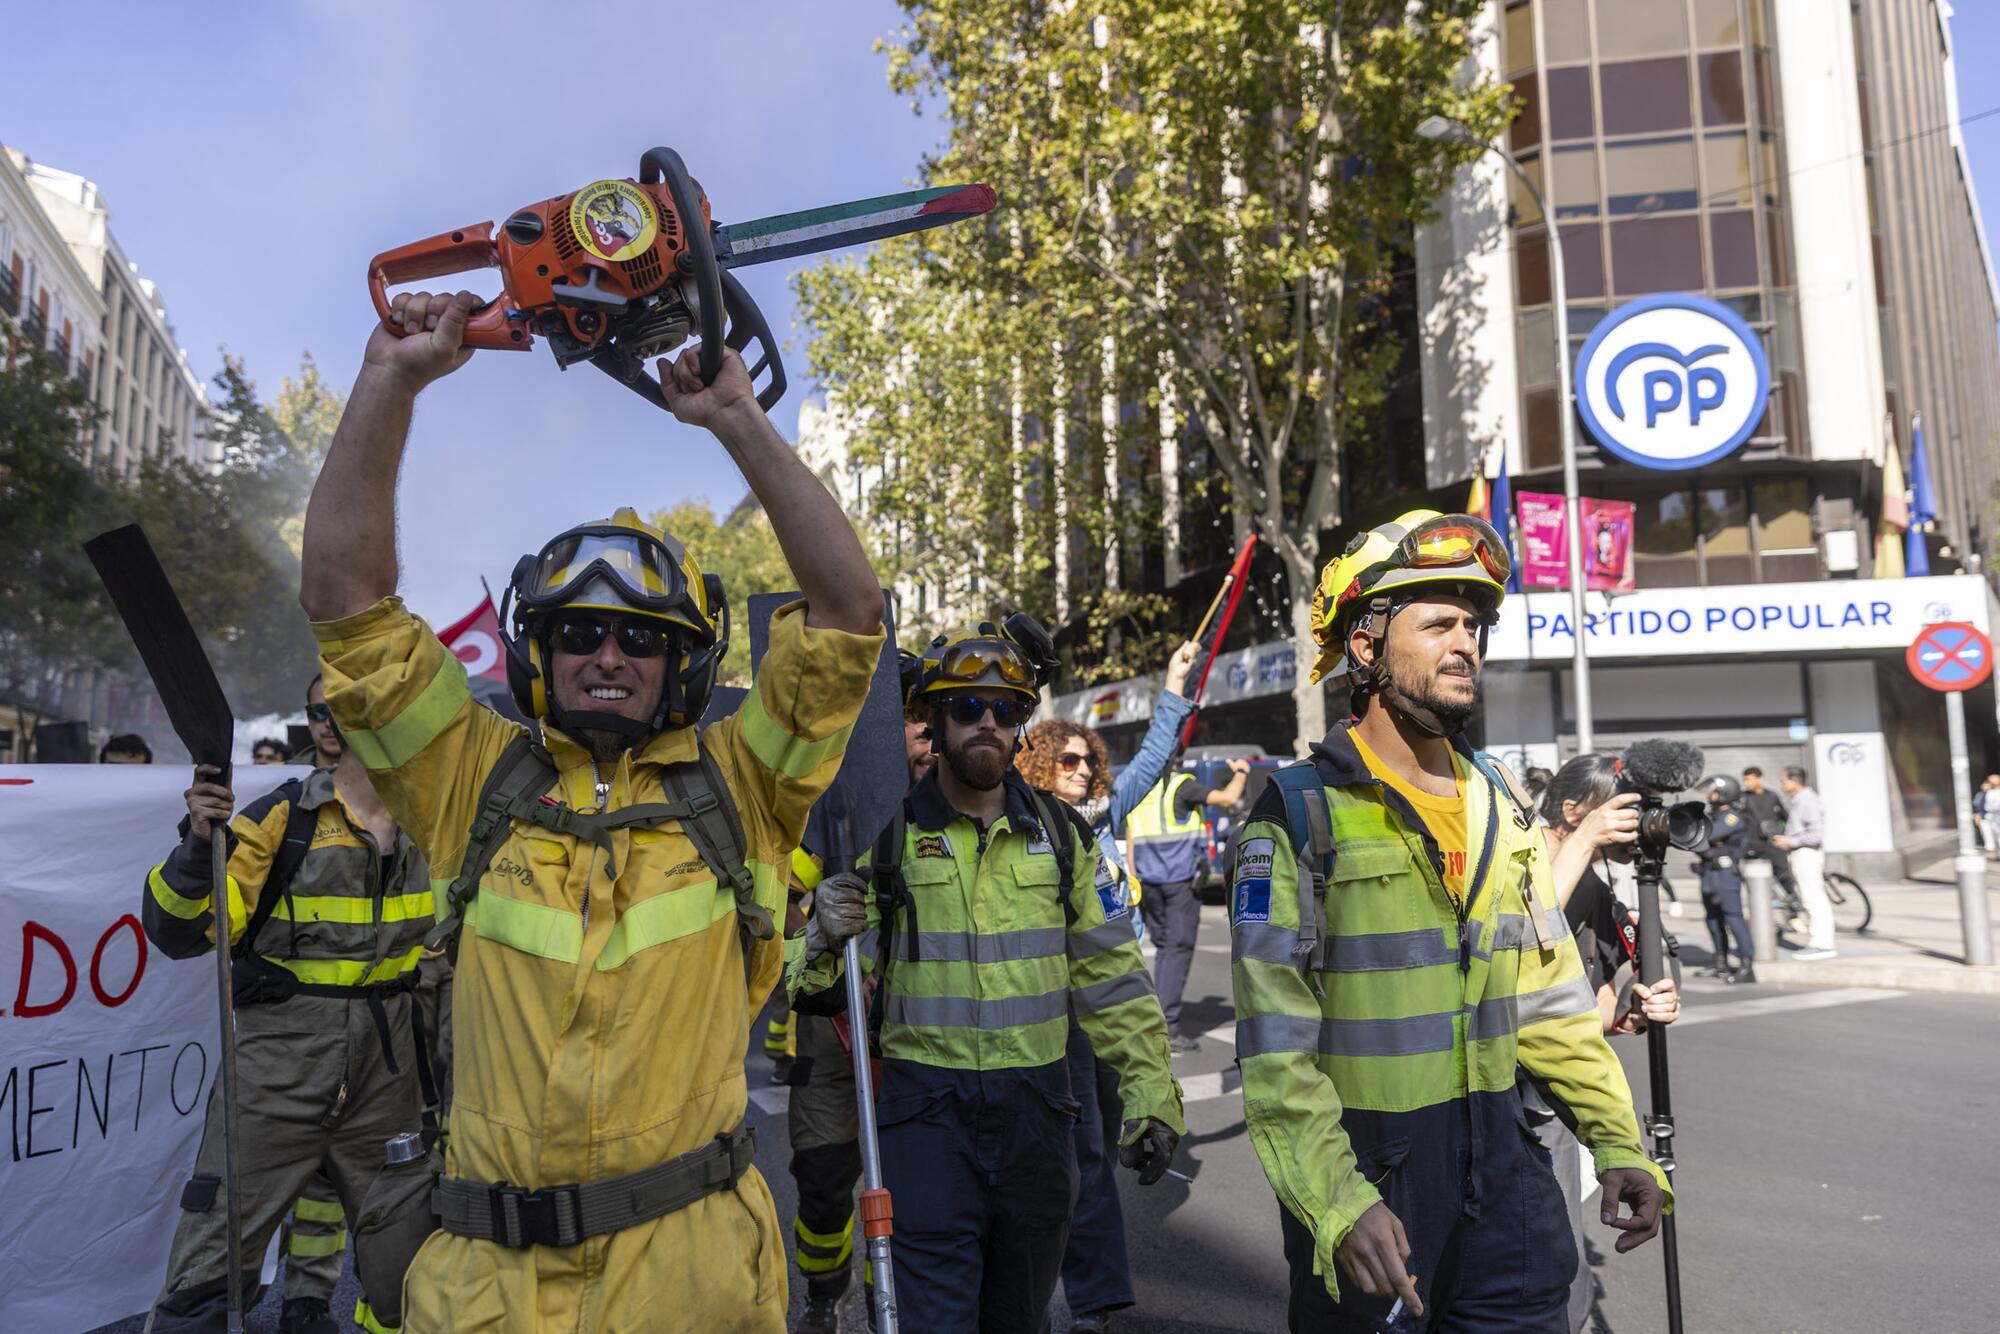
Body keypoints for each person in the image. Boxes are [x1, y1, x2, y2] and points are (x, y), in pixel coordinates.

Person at [299, 288, 884, 1331]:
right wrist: (389, 379)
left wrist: (736, 419)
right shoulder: (467, 775)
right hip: (486, 1288)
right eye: (577, 633)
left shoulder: (742, 785)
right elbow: (347, 602)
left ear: (682, 664)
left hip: (689, 1281)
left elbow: (847, 614)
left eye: (641, 637)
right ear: (536, 653)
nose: (607, 655)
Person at [1230, 509, 1669, 1332]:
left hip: (1506, 1177)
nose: (1466, 641)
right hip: (1373, 1189)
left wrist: (1616, 1144)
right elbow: (1276, 1053)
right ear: (1366, 647)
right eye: (1437, 623)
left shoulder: (1500, 803)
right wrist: (1337, 1202)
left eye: (1475, 623)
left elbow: (1549, 1000)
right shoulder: (1298, 814)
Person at [793, 621, 1185, 1333]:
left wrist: (1152, 1092)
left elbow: (1113, 977)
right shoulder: (888, 838)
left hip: (1037, 1118)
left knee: (1018, 1318)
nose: (987, 724)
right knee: (937, 1321)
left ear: (1020, 726)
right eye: (968, 708)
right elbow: (814, 986)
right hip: (925, 1122)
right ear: (936, 722)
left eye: (1004, 710)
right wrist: (821, 934)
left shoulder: (1062, 837)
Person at [139, 675, 436, 1333]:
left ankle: (317, 1301)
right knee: (210, 1267)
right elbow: (176, 930)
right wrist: (197, 846)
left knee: (413, 1275)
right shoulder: (282, 817)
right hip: (275, 1072)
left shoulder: (435, 824)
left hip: (389, 1083)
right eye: (322, 710)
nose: (334, 721)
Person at [1016, 638, 1203, 1334]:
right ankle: (1042, 1296)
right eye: (1067, 760)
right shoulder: (1017, 819)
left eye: (1089, 760)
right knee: (1062, 1158)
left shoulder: (1101, 814)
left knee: (1091, 1156)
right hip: (1049, 1010)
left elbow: (1154, 756)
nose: (1083, 769)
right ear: (1038, 765)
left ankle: (1092, 1302)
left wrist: (1175, 685)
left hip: (1109, 1005)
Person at [784, 652, 936, 1334]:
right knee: (822, 1183)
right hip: (832, 1026)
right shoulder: (831, 801)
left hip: (914, 1032)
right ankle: (824, 1291)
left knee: (917, 1187)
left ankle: (900, 1308)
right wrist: (811, 909)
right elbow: (778, 896)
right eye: (910, 718)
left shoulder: (947, 806)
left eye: (930, 718)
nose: (926, 733)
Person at [1534, 753, 1684, 1331]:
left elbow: (1597, 994)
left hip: (1560, 1094)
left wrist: (1637, 1006)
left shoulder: (1597, 884)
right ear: (1572, 811)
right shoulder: (1527, 853)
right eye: (1616, 809)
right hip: (1500, 1087)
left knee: (1560, 1249)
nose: (1630, 821)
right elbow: (1523, 931)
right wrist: (1585, 842)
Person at [1123, 752, 1249, 1052]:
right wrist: (1242, 772)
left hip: (1148, 882)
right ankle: (1167, 1026)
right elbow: (1229, 799)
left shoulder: (1142, 790)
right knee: (1177, 950)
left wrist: (1134, 875)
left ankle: (1158, 1018)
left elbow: (1130, 835)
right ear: (1179, 759)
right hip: (1179, 881)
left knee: (1166, 950)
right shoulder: (1182, 786)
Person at [1693, 775, 1756, 983]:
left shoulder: (1731, 817)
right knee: (1712, 919)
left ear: (1724, 793)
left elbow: (1706, 836)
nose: (1708, 794)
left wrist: (1708, 843)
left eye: (1712, 790)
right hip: (1709, 874)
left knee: (1733, 918)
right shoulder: (1712, 816)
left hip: (1726, 875)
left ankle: (1747, 966)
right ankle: (1720, 961)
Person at [1771, 766, 1835, 960]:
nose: (1781, 785)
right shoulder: (1801, 800)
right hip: (1800, 853)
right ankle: (1819, 941)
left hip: (1806, 854)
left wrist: (1790, 841)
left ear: (1794, 781)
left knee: (1813, 897)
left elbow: (1816, 834)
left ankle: (1822, 943)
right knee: (1809, 897)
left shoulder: (1808, 801)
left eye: (1784, 781)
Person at [1976, 774, 2000, 859]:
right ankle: (1998, 854)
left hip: (1996, 815)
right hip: (1991, 816)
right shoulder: (1988, 793)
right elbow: (1982, 805)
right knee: (1994, 836)